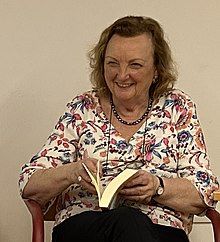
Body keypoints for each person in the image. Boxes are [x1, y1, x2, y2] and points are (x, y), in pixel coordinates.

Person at [19, 16, 219, 242]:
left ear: (156, 70)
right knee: (126, 220)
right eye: (113, 63)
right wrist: (73, 172)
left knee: (131, 221)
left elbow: (205, 192)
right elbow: (29, 184)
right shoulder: (83, 108)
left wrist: (157, 187)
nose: (121, 75)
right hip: (87, 229)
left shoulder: (178, 108)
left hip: (160, 231)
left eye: (135, 64)